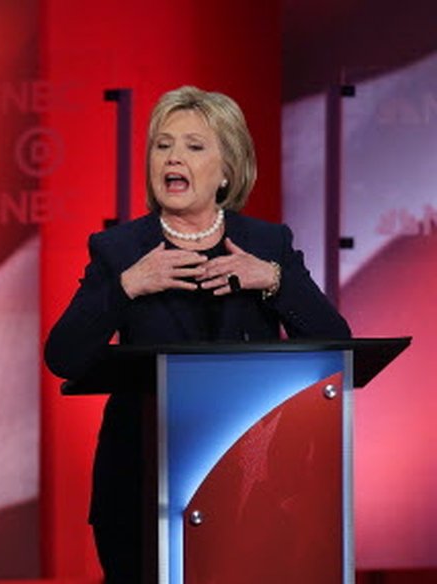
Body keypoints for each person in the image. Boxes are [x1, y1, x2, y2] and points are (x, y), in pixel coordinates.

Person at [43, 85, 351, 583]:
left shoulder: (265, 244)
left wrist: (272, 279)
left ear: (227, 168)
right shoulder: (120, 250)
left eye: (193, 145)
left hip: (251, 486)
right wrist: (127, 286)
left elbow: (336, 340)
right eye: (162, 145)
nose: (173, 158)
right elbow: (63, 356)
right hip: (141, 485)